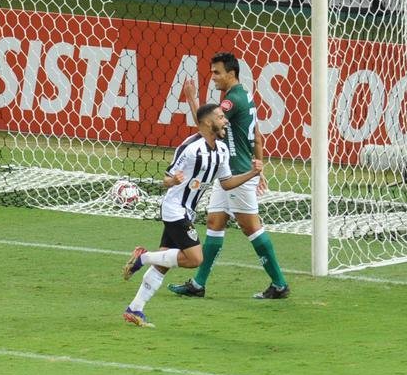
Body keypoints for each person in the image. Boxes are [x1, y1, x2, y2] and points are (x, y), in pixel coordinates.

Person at [120, 104, 264, 327]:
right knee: (196, 258)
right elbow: (166, 179)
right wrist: (173, 181)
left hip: (188, 210)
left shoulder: (222, 150)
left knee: (165, 261)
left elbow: (226, 184)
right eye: (220, 117)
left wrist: (252, 173)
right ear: (208, 123)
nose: (225, 120)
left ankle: (135, 309)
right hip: (174, 208)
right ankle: (142, 257)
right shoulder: (189, 148)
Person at [169, 52, 290, 300]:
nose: (213, 77)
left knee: (251, 227)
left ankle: (279, 284)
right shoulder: (246, 95)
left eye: (216, 72)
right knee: (215, 222)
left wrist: (191, 98)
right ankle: (198, 284)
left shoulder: (231, 101)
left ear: (231, 73)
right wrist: (260, 167)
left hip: (237, 174)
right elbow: (257, 135)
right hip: (232, 171)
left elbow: (205, 126)